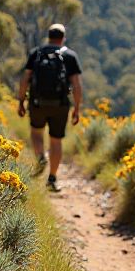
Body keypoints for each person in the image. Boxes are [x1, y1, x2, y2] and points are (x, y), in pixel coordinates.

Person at [18, 23, 83, 192]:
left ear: (49, 36)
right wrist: (77, 108)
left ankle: (41, 158)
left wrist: (21, 101)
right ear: (63, 38)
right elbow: (76, 85)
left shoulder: (36, 53)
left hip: (37, 103)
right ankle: (52, 178)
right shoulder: (70, 56)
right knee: (56, 141)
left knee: (36, 133)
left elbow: (25, 79)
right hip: (60, 105)